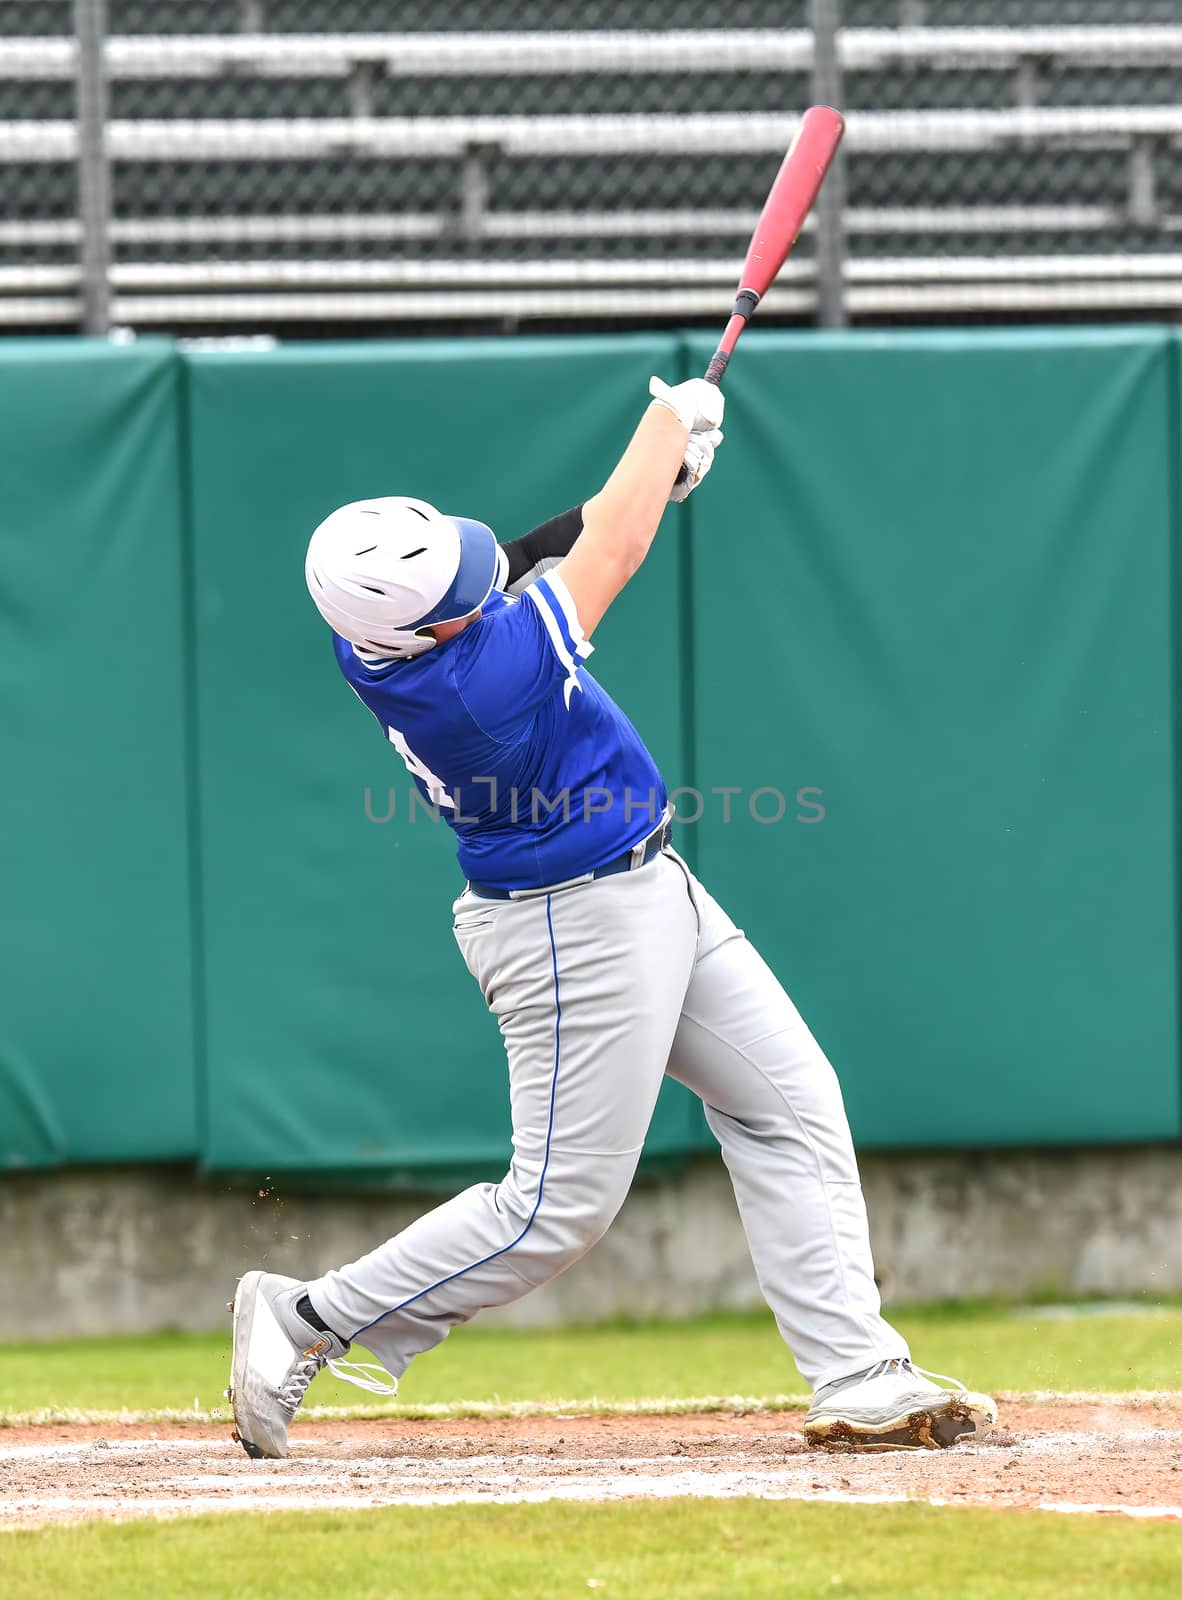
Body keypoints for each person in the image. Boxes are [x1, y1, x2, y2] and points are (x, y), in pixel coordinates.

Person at [228, 374, 997, 1459]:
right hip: (570, 923)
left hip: (646, 885)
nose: (472, 581)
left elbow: (529, 556)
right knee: (554, 1210)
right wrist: (667, 420)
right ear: (429, 626)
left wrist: (659, 474)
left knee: (790, 1101)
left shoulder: (383, 632)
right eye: (453, 591)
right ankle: (306, 1317)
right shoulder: (475, 686)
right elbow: (608, 554)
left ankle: (857, 1371)